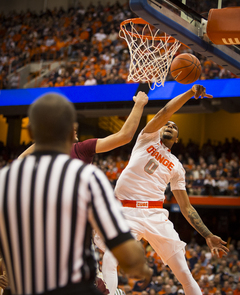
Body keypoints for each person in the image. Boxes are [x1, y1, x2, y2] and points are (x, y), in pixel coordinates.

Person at [0, 93, 153, 295]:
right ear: (71, 131)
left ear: (29, 132)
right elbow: (124, 250)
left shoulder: (6, 179)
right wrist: (139, 266)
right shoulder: (85, 176)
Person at [105, 85, 229, 295]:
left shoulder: (177, 166)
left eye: (174, 127)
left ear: (177, 139)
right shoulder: (147, 138)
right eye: (167, 125)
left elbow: (186, 207)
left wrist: (207, 235)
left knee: (184, 273)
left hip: (155, 214)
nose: (170, 125)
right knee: (110, 257)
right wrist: (190, 93)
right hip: (126, 212)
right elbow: (165, 113)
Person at [18, 91, 148, 164]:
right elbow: (21, 160)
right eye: (68, 124)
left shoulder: (82, 148)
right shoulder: (42, 157)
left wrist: (139, 105)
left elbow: (124, 136)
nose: (74, 127)